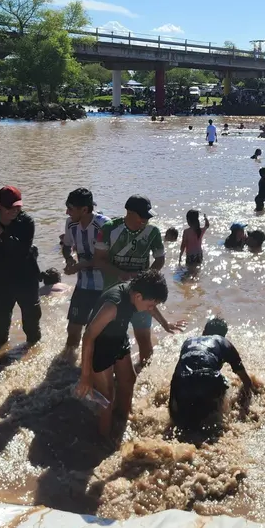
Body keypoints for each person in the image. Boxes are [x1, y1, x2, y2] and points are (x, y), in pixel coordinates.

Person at [76, 270, 169, 439]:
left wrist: (166, 324)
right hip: (100, 345)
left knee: (129, 379)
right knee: (107, 397)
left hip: (118, 337)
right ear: (139, 297)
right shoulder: (113, 306)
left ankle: (122, 420)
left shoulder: (135, 290)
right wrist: (85, 376)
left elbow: (151, 308)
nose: (150, 309)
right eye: (150, 304)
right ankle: (104, 441)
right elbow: (88, 336)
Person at [98, 195, 181, 368]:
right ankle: (109, 370)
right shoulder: (109, 229)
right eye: (142, 216)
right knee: (111, 338)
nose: (145, 220)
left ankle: (144, 372)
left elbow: (159, 260)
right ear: (129, 212)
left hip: (141, 294)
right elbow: (99, 260)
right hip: (115, 294)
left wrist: (145, 278)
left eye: (148, 217)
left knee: (143, 337)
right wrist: (121, 273)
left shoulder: (153, 232)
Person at [0, 186, 42, 352]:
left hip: (26, 281)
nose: (15, 211)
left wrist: (2, 235)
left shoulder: (26, 222)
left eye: (18, 207)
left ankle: (32, 354)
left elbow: (23, 252)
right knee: (0, 330)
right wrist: (10, 249)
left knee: (32, 328)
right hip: (1, 283)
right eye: (10, 207)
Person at [168, 317, 256, 430]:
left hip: (180, 382)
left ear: (204, 331)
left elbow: (180, 370)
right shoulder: (223, 342)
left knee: (182, 424)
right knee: (224, 383)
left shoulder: (188, 341)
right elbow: (244, 378)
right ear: (224, 335)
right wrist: (251, 393)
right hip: (208, 381)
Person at [61, 188, 110, 351]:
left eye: (71, 208)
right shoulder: (71, 223)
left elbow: (106, 258)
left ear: (84, 209)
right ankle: (66, 367)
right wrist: (68, 259)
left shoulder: (104, 225)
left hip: (104, 287)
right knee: (73, 331)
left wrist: (79, 266)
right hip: (83, 285)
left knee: (97, 334)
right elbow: (66, 245)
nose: (67, 212)